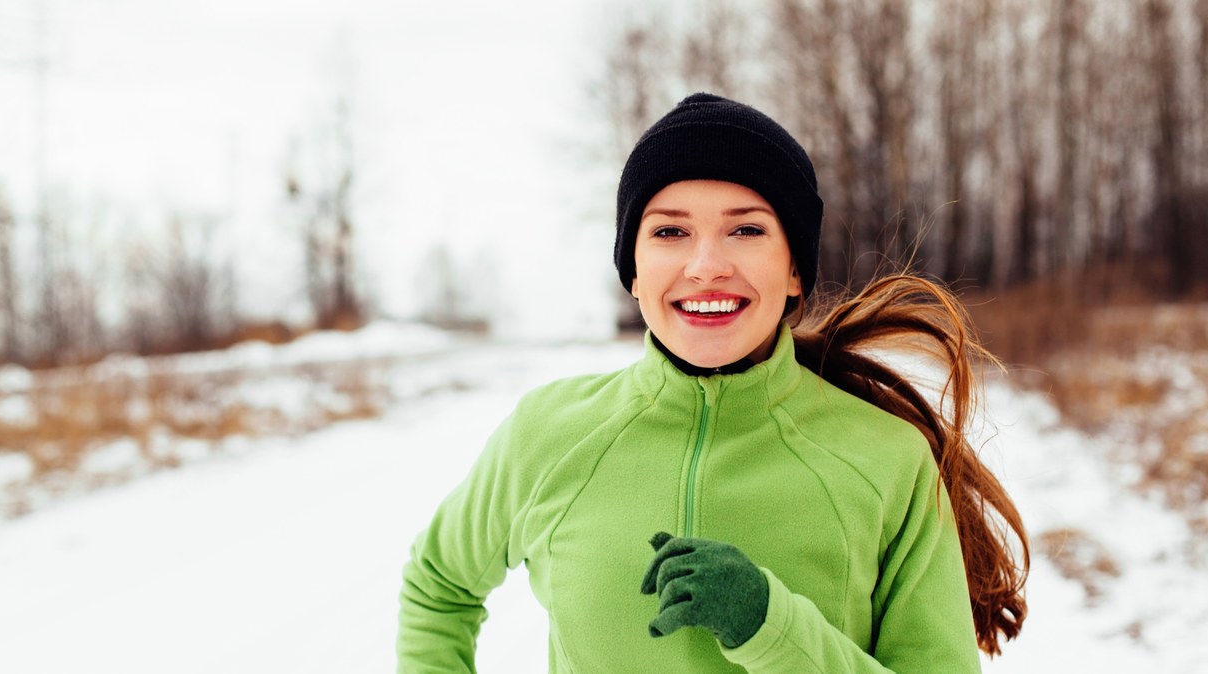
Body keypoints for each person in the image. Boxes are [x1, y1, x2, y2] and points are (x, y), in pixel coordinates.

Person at [397, 93, 1028, 673]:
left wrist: (769, 625)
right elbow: (438, 586)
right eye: (670, 231)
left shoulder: (887, 460)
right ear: (634, 271)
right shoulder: (548, 435)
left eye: (746, 229)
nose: (706, 266)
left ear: (793, 272)